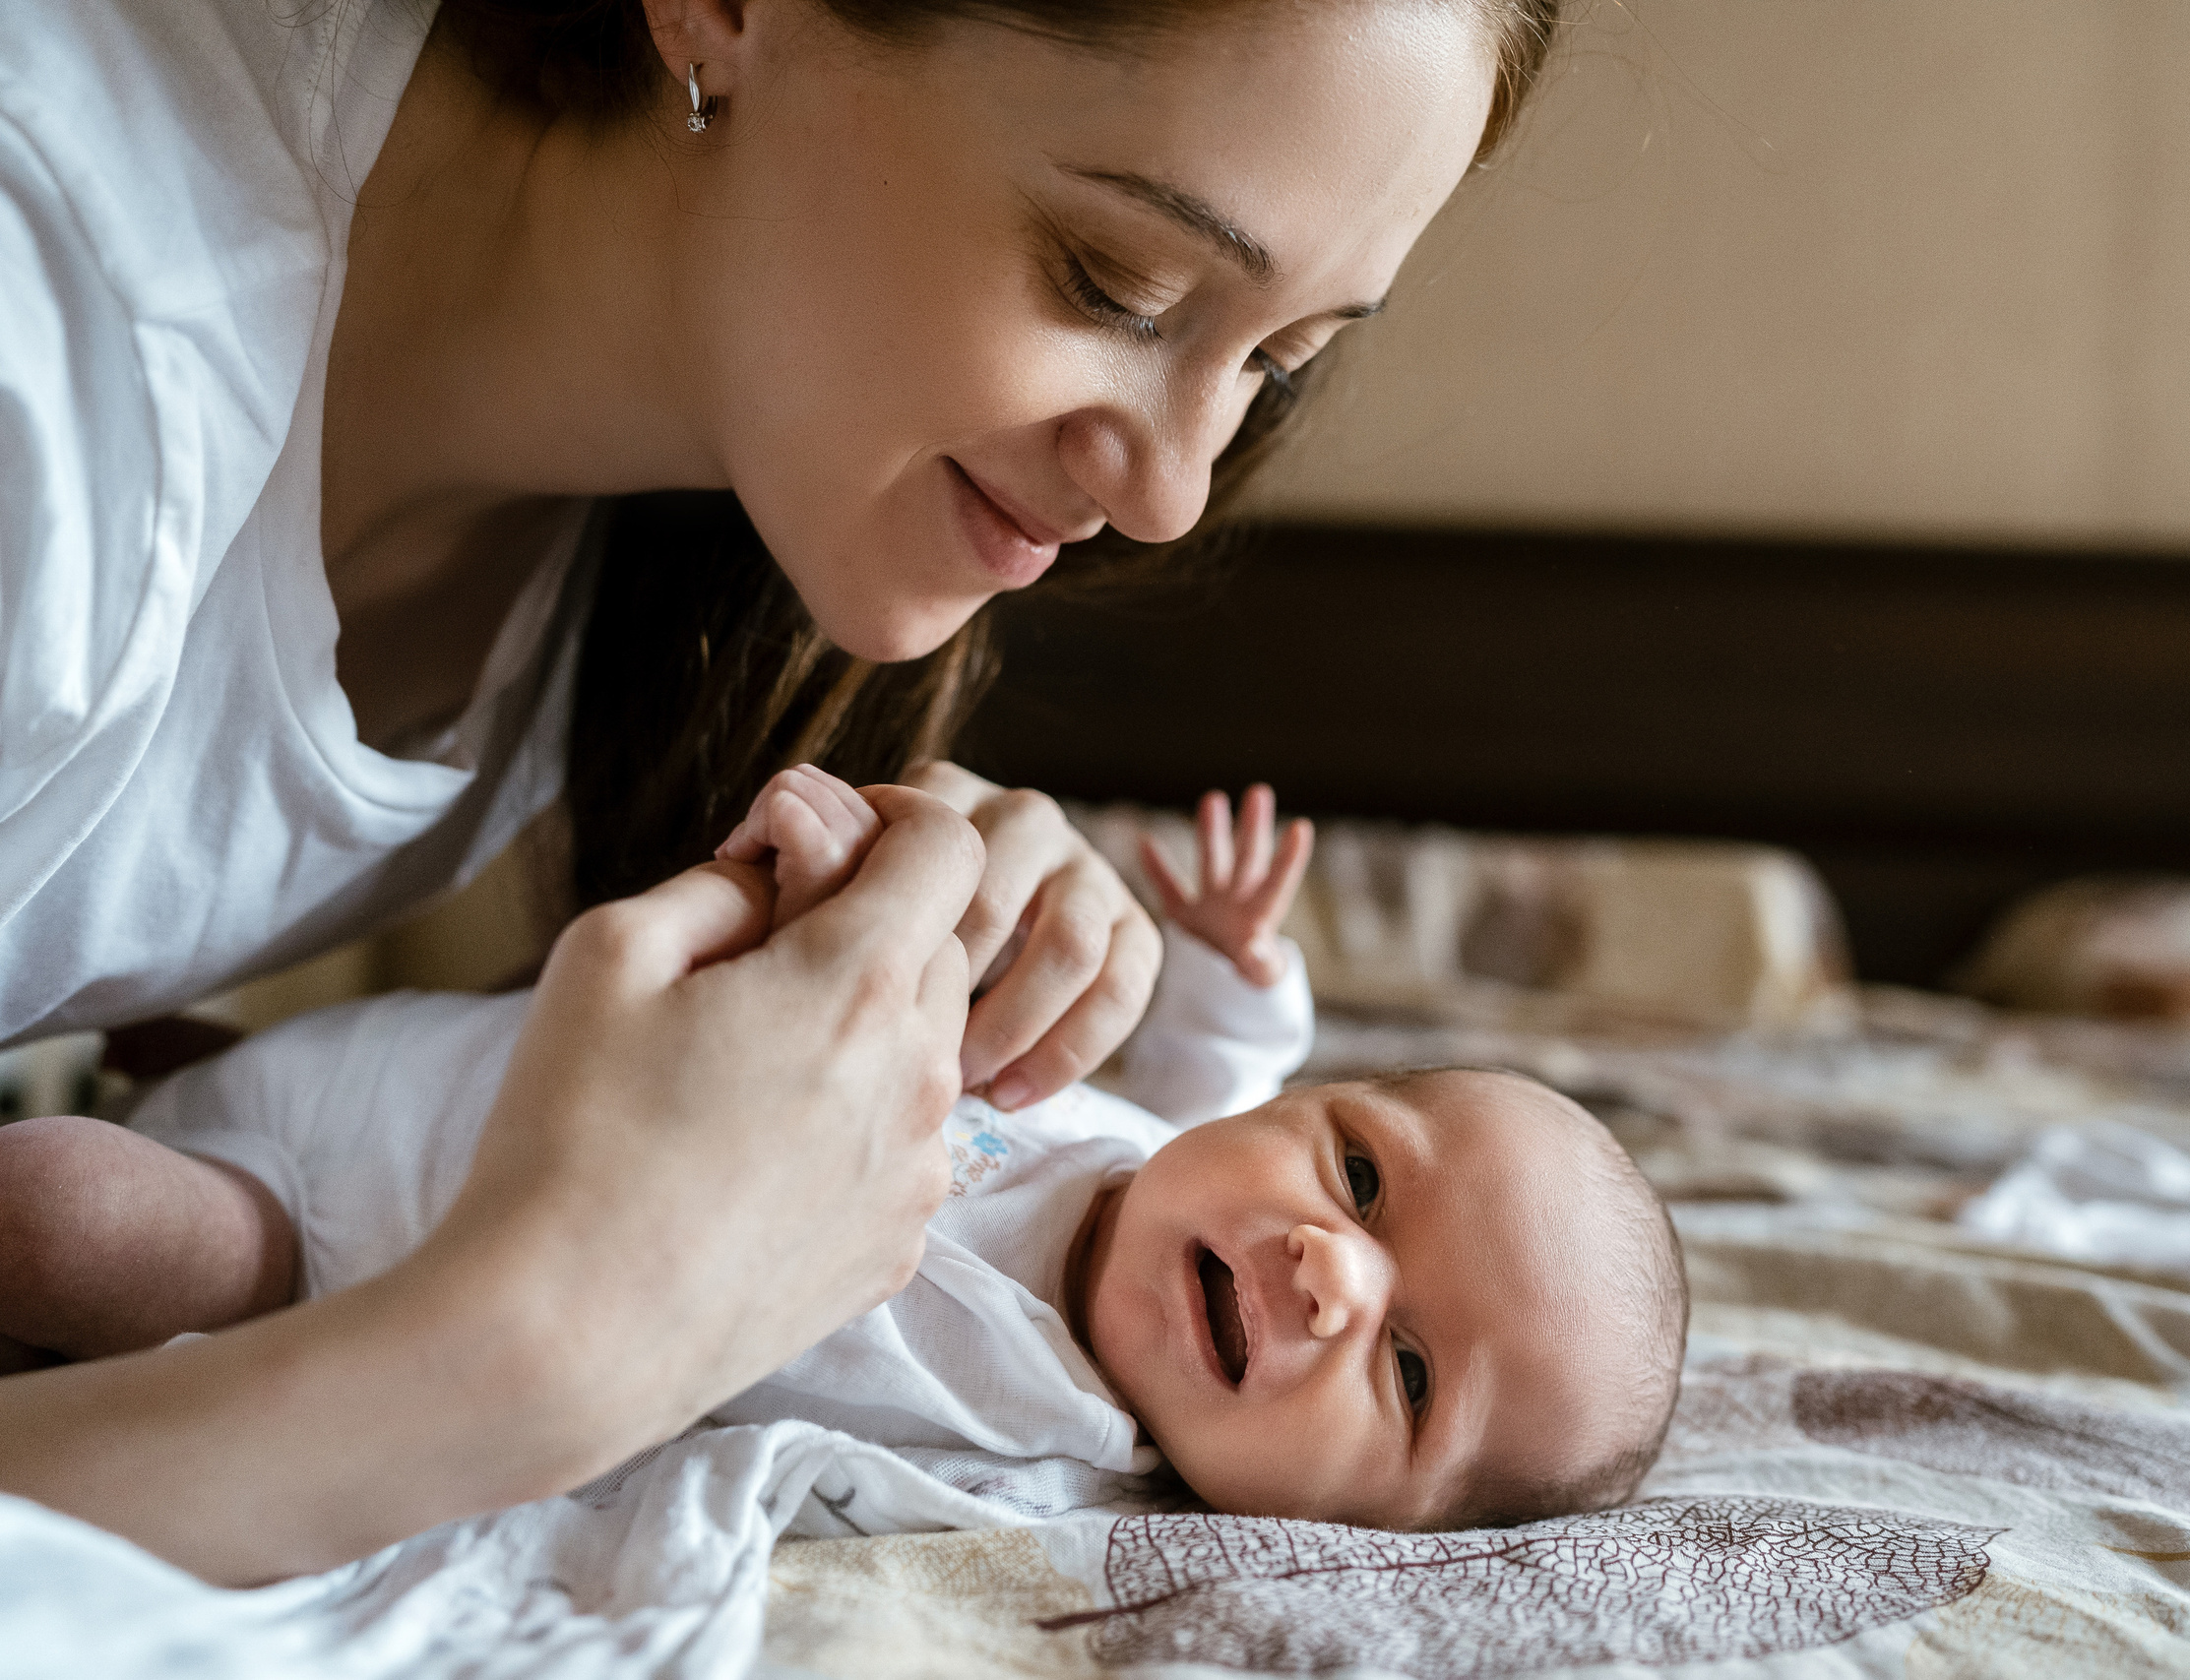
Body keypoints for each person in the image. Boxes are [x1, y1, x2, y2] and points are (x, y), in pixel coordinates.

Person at [0, 0, 1559, 1584]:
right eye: (1117, 283)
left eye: (1277, 365)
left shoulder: (678, 544)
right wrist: (544, 1344)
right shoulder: (47, 399)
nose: (1170, 497)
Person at [4, 776, 1687, 1531]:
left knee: (66, 1211)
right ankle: (168, 1052)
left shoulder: (1040, 1468)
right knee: (184, 1013)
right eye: (1367, 1179)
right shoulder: (1111, 1094)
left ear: (1362, 1534)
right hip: (453, 1053)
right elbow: (1228, 1048)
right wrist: (1246, 960)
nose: (1331, 1268)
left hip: (335, 1255)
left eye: (1406, 1373)